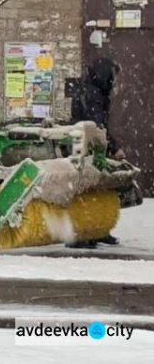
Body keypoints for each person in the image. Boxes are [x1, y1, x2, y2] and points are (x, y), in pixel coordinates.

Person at [68, 57, 124, 247]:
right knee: (87, 191)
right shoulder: (92, 94)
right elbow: (97, 125)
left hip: (89, 147)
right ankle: (81, 234)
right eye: (113, 77)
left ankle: (97, 230)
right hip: (86, 148)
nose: (115, 82)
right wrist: (115, 147)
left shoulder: (91, 90)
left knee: (96, 190)